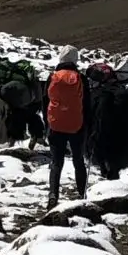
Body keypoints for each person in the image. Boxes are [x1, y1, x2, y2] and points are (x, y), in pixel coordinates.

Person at [44, 47, 89, 209]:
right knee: (79, 160)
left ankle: (53, 195)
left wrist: (47, 124)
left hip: (55, 125)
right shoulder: (81, 78)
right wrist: (87, 125)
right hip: (77, 125)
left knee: (56, 162)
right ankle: (82, 193)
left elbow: (45, 101)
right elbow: (87, 104)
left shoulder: (53, 77)